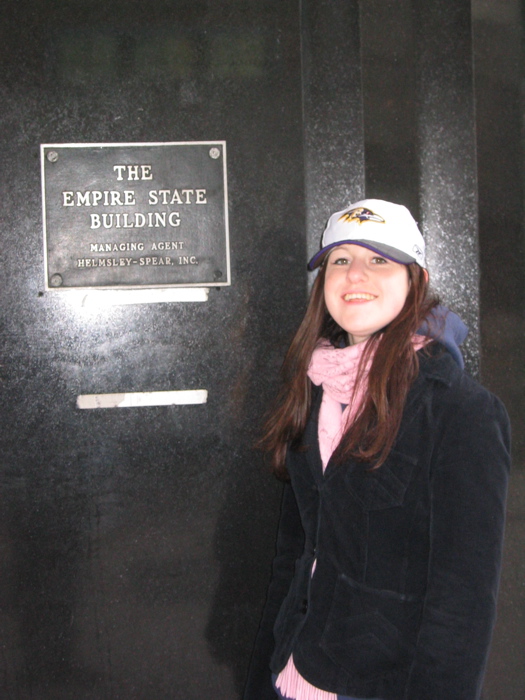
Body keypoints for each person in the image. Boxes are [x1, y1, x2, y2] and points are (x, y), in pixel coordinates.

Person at [243, 199, 511, 700]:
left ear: (417, 281)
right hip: (294, 673)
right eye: (339, 259)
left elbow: (462, 606)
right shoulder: (313, 387)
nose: (354, 274)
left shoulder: (462, 413)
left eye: (379, 260)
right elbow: (295, 554)